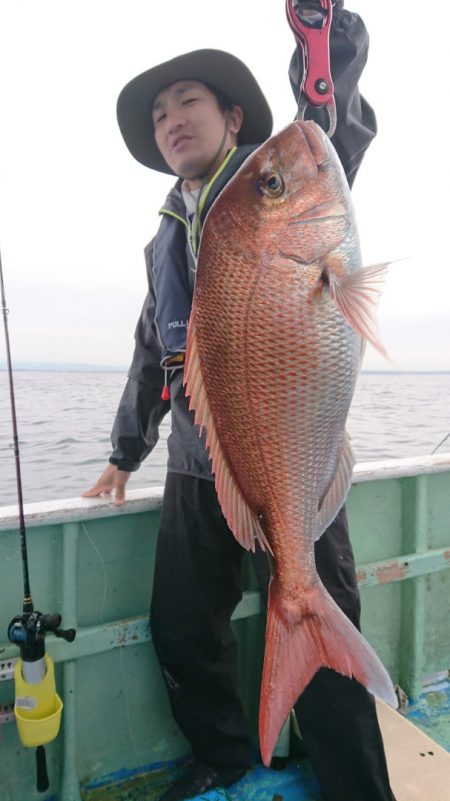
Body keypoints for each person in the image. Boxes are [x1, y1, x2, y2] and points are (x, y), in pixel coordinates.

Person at [84, 5, 397, 801]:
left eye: (187, 100)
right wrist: (125, 456)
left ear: (232, 117)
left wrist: (325, 33)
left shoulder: (273, 184)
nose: (170, 120)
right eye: (158, 114)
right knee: (183, 627)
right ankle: (226, 754)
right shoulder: (166, 233)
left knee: (324, 622)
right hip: (197, 466)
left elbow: (331, 124)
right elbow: (154, 346)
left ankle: (356, 787)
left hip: (288, 454)